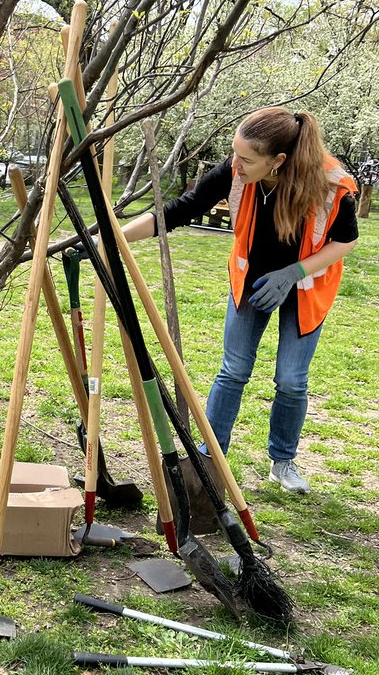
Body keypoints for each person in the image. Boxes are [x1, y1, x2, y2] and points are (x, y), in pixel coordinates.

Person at [120, 107, 359, 494]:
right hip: (250, 280)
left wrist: (292, 273)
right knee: (233, 370)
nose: (236, 164)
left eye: (246, 158)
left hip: (306, 285)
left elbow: (345, 241)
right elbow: (180, 210)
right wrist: (111, 237)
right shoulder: (236, 171)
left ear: (278, 161)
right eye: (235, 153)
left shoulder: (330, 184)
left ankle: (283, 462)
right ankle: (211, 458)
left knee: (291, 380)